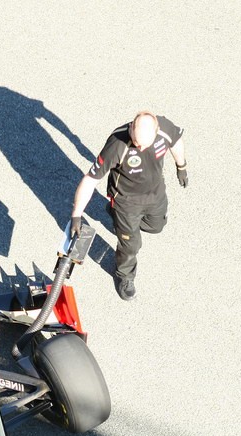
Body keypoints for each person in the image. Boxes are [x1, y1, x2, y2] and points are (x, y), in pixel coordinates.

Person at [70, 110, 187, 300]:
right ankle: (124, 275)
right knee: (131, 245)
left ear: (156, 130)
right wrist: (77, 214)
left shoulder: (164, 129)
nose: (139, 147)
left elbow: (175, 141)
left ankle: (118, 220)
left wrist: (181, 166)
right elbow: (90, 179)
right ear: (132, 127)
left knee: (157, 227)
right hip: (126, 201)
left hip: (155, 194)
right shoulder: (117, 144)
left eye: (144, 144)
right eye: (136, 142)